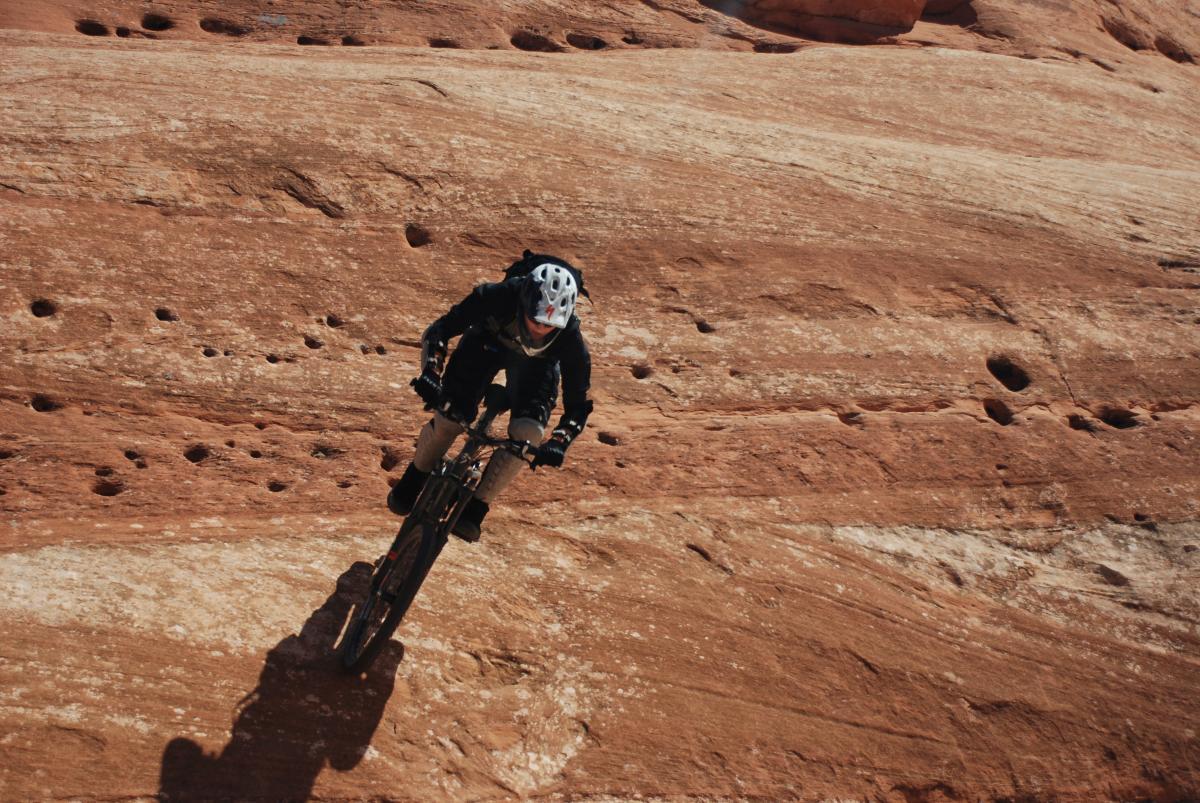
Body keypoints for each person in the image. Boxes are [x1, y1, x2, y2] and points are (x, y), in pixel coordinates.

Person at [386, 253, 593, 541]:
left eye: (549, 327)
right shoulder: (499, 296)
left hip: (537, 367)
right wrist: (431, 374)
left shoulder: (571, 338)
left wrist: (559, 442)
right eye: (535, 321)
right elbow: (441, 330)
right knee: (450, 416)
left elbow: (578, 404)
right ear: (523, 301)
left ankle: (475, 508)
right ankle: (413, 479)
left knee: (528, 435)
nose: (539, 330)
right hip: (488, 342)